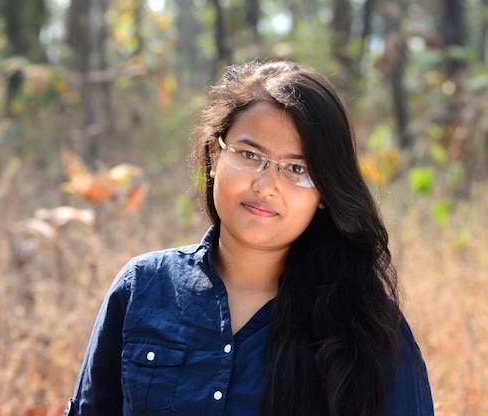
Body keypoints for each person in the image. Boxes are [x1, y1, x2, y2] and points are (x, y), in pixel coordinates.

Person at [63, 60, 434, 416]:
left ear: (325, 192)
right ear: (214, 155)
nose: (265, 184)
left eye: (296, 168)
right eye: (250, 154)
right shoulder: (143, 288)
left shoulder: (366, 321)